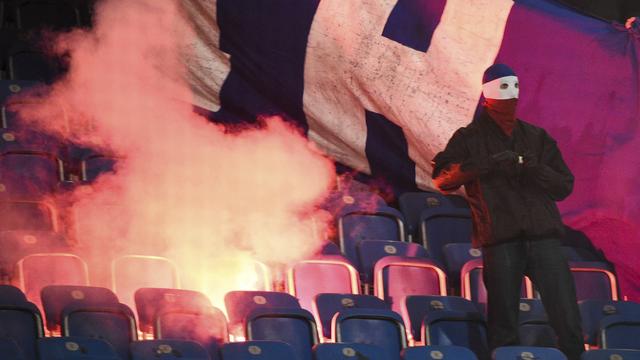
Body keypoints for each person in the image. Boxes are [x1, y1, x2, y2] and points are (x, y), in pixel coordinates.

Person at [431, 64, 585, 360]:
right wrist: (484, 164)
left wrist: (534, 168)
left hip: (543, 239)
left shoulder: (537, 137)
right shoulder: (469, 138)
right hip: (501, 240)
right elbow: (442, 178)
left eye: (514, 87)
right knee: (503, 324)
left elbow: (564, 186)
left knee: (568, 318)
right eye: (503, 88)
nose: (512, 94)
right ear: (486, 95)